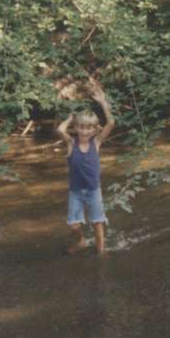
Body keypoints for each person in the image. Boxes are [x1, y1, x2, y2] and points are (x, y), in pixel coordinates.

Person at [57, 79, 114, 254]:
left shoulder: (96, 143)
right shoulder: (70, 143)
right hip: (75, 191)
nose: (85, 131)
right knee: (73, 225)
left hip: (93, 190)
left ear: (95, 129)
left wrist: (103, 103)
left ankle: (101, 252)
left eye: (89, 128)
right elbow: (60, 130)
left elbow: (111, 123)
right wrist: (70, 118)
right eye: (81, 127)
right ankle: (81, 241)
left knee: (97, 222)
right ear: (76, 128)